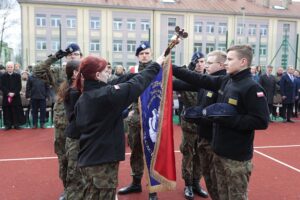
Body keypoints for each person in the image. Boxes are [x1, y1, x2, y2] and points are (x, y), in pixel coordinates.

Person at [172, 44, 269, 199]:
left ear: (243, 62)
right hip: (218, 152)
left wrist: (229, 119)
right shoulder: (227, 80)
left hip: (236, 158)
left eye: (230, 59)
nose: (226, 63)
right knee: (218, 195)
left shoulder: (251, 87)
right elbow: (198, 78)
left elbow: (262, 121)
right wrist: (171, 68)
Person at [73, 55, 163, 200]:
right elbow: (135, 85)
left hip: (90, 159)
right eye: (105, 70)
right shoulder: (105, 95)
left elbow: (98, 120)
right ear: (97, 75)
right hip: (101, 163)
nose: (108, 73)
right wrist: (156, 65)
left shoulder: (86, 96)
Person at [118, 41, 159, 200]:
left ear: (151, 54)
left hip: (153, 116)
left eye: (147, 53)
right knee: (135, 151)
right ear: (137, 56)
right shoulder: (132, 71)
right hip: (135, 116)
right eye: (141, 54)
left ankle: (153, 188)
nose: (144, 56)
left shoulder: (158, 70)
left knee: (152, 151)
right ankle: (136, 182)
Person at [173, 51, 208, 200]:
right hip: (189, 123)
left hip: (203, 123)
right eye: (197, 62)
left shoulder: (209, 79)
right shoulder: (188, 78)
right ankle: (187, 184)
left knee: (200, 155)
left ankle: (196, 183)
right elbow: (173, 80)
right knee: (188, 154)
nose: (200, 64)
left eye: (202, 61)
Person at [0, 61, 26, 130]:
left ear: (13, 67)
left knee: (16, 110)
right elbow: (2, 86)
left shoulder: (17, 75)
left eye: (11, 67)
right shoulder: (3, 76)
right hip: (6, 96)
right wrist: (8, 93)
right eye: (8, 67)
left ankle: (16, 124)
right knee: (7, 110)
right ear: (6, 68)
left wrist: (14, 93)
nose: (9, 68)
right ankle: (8, 125)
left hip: (15, 96)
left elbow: (19, 86)